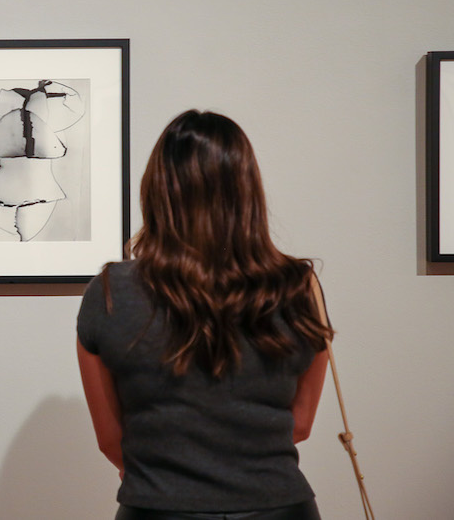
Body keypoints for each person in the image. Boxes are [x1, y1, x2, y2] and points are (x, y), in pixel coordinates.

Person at [77, 110, 332, 520]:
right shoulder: (298, 286)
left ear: (157, 190)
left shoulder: (110, 292)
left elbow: (110, 439)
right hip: (280, 509)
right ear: (247, 191)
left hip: (158, 509)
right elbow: (300, 424)